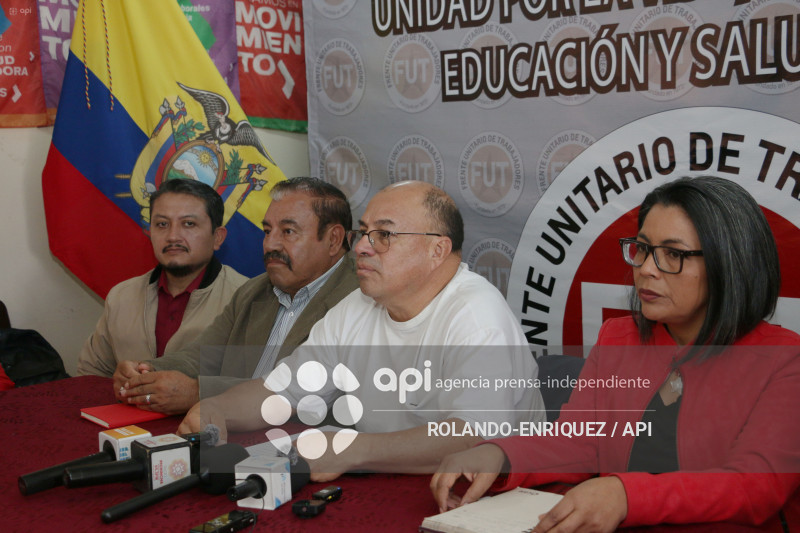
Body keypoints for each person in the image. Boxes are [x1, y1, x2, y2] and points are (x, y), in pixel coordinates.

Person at [431, 176, 800, 531]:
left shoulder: (786, 359)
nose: (647, 270)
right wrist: (500, 455)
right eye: (643, 249)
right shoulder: (618, 337)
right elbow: (579, 441)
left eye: (672, 254)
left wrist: (626, 495)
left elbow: (756, 486)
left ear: (730, 263)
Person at [177, 181, 544, 480]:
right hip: (384, 482)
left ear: (437, 250)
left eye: (383, 235)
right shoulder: (358, 307)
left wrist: (352, 449)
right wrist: (218, 408)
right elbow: (281, 391)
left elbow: (472, 438)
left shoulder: (476, 315)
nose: (363, 248)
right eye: (364, 233)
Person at [113, 177, 359, 414]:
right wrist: (145, 372)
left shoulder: (361, 300)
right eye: (267, 230)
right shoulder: (254, 290)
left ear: (333, 240)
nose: (270, 244)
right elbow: (201, 356)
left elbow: (304, 392)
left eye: (288, 231)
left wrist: (198, 392)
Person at [77, 178, 247, 377]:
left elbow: (258, 387)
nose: (173, 236)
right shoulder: (121, 296)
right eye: (162, 224)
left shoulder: (245, 300)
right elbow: (91, 374)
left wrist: (194, 392)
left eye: (189, 224)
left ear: (217, 237)